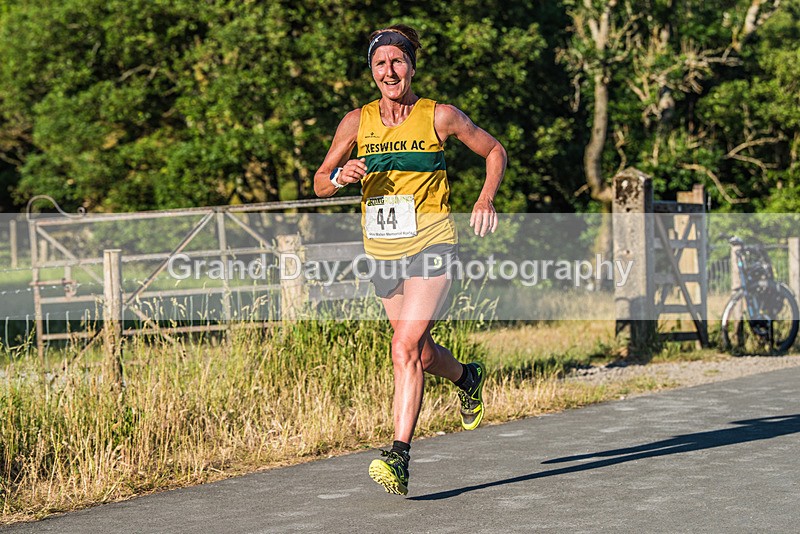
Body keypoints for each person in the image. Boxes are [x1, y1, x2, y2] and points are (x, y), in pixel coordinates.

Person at [314, 24, 506, 496]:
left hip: (432, 242)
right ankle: (467, 376)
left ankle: (398, 455)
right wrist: (340, 175)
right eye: (380, 64)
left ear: (411, 67)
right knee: (418, 352)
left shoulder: (439, 116)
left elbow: (494, 149)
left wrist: (485, 199)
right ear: (372, 73)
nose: (389, 71)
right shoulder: (355, 122)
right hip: (382, 250)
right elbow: (319, 181)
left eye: (397, 61)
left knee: (402, 347)